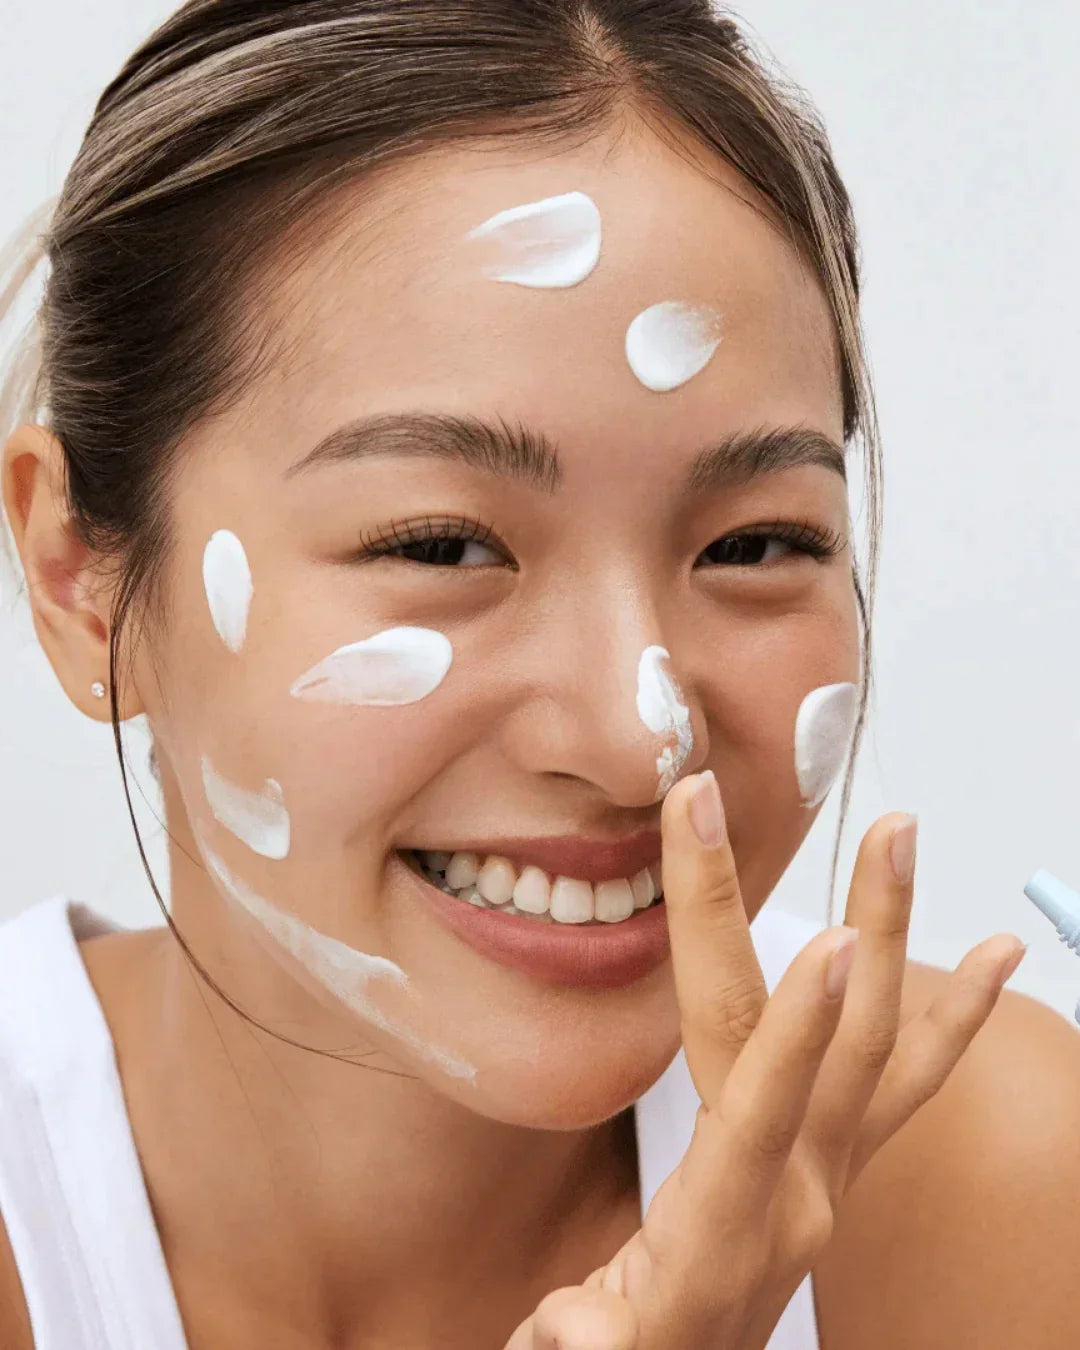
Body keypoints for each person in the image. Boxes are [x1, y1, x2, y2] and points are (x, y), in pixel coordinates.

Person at [2, 3, 1079, 1347]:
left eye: (754, 542)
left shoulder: (993, 1183)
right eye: (442, 542)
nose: (641, 737)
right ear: (79, 575)